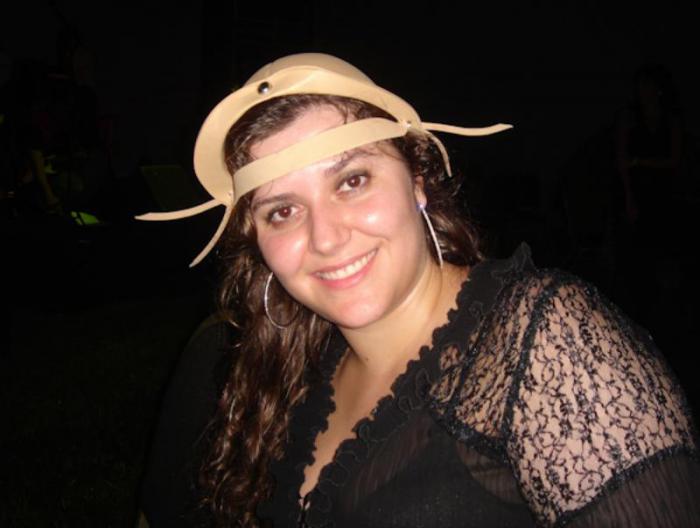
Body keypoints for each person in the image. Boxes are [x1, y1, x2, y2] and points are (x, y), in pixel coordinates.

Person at [138, 54, 699, 527]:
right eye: (282, 211)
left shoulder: (544, 343)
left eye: (352, 180)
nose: (326, 238)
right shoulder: (285, 369)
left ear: (418, 181)